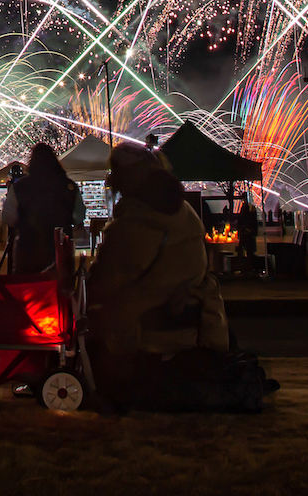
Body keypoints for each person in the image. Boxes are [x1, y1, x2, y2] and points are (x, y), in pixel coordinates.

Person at [86, 143, 230, 410]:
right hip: (198, 317)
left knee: (89, 320)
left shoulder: (134, 225)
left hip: (149, 324)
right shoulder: (184, 211)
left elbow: (106, 282)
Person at [3, 142, 82, 274]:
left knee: (27, 289)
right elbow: (78, 216)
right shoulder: (69, 186)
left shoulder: (19, 187)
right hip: (60, 252)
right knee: (60, 290)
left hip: (28, 252)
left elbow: (8, 218)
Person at [234, 191, 259, 262]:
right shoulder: (248, 207)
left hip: (247, 232)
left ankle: (247, 264)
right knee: (246, 249)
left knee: (247, 249)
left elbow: (249, 219)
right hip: (247, 231)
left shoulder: (248, 207)